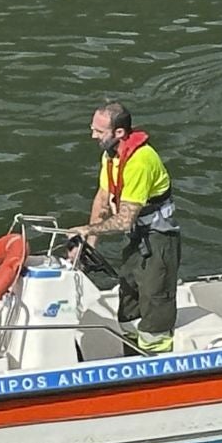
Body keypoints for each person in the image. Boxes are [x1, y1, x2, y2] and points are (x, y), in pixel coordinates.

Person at [68, 101, 181, 356]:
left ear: (119, 133)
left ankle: (156, 360)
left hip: (159, 239)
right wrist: (88, 245)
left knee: (154, 302)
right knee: (128, 299)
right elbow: (103, 199)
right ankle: (131, 355)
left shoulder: (140, 161)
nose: (92, 135)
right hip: (137, 238)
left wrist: (86, 230)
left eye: (99, 131)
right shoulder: (111, 156)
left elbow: (124, 219)